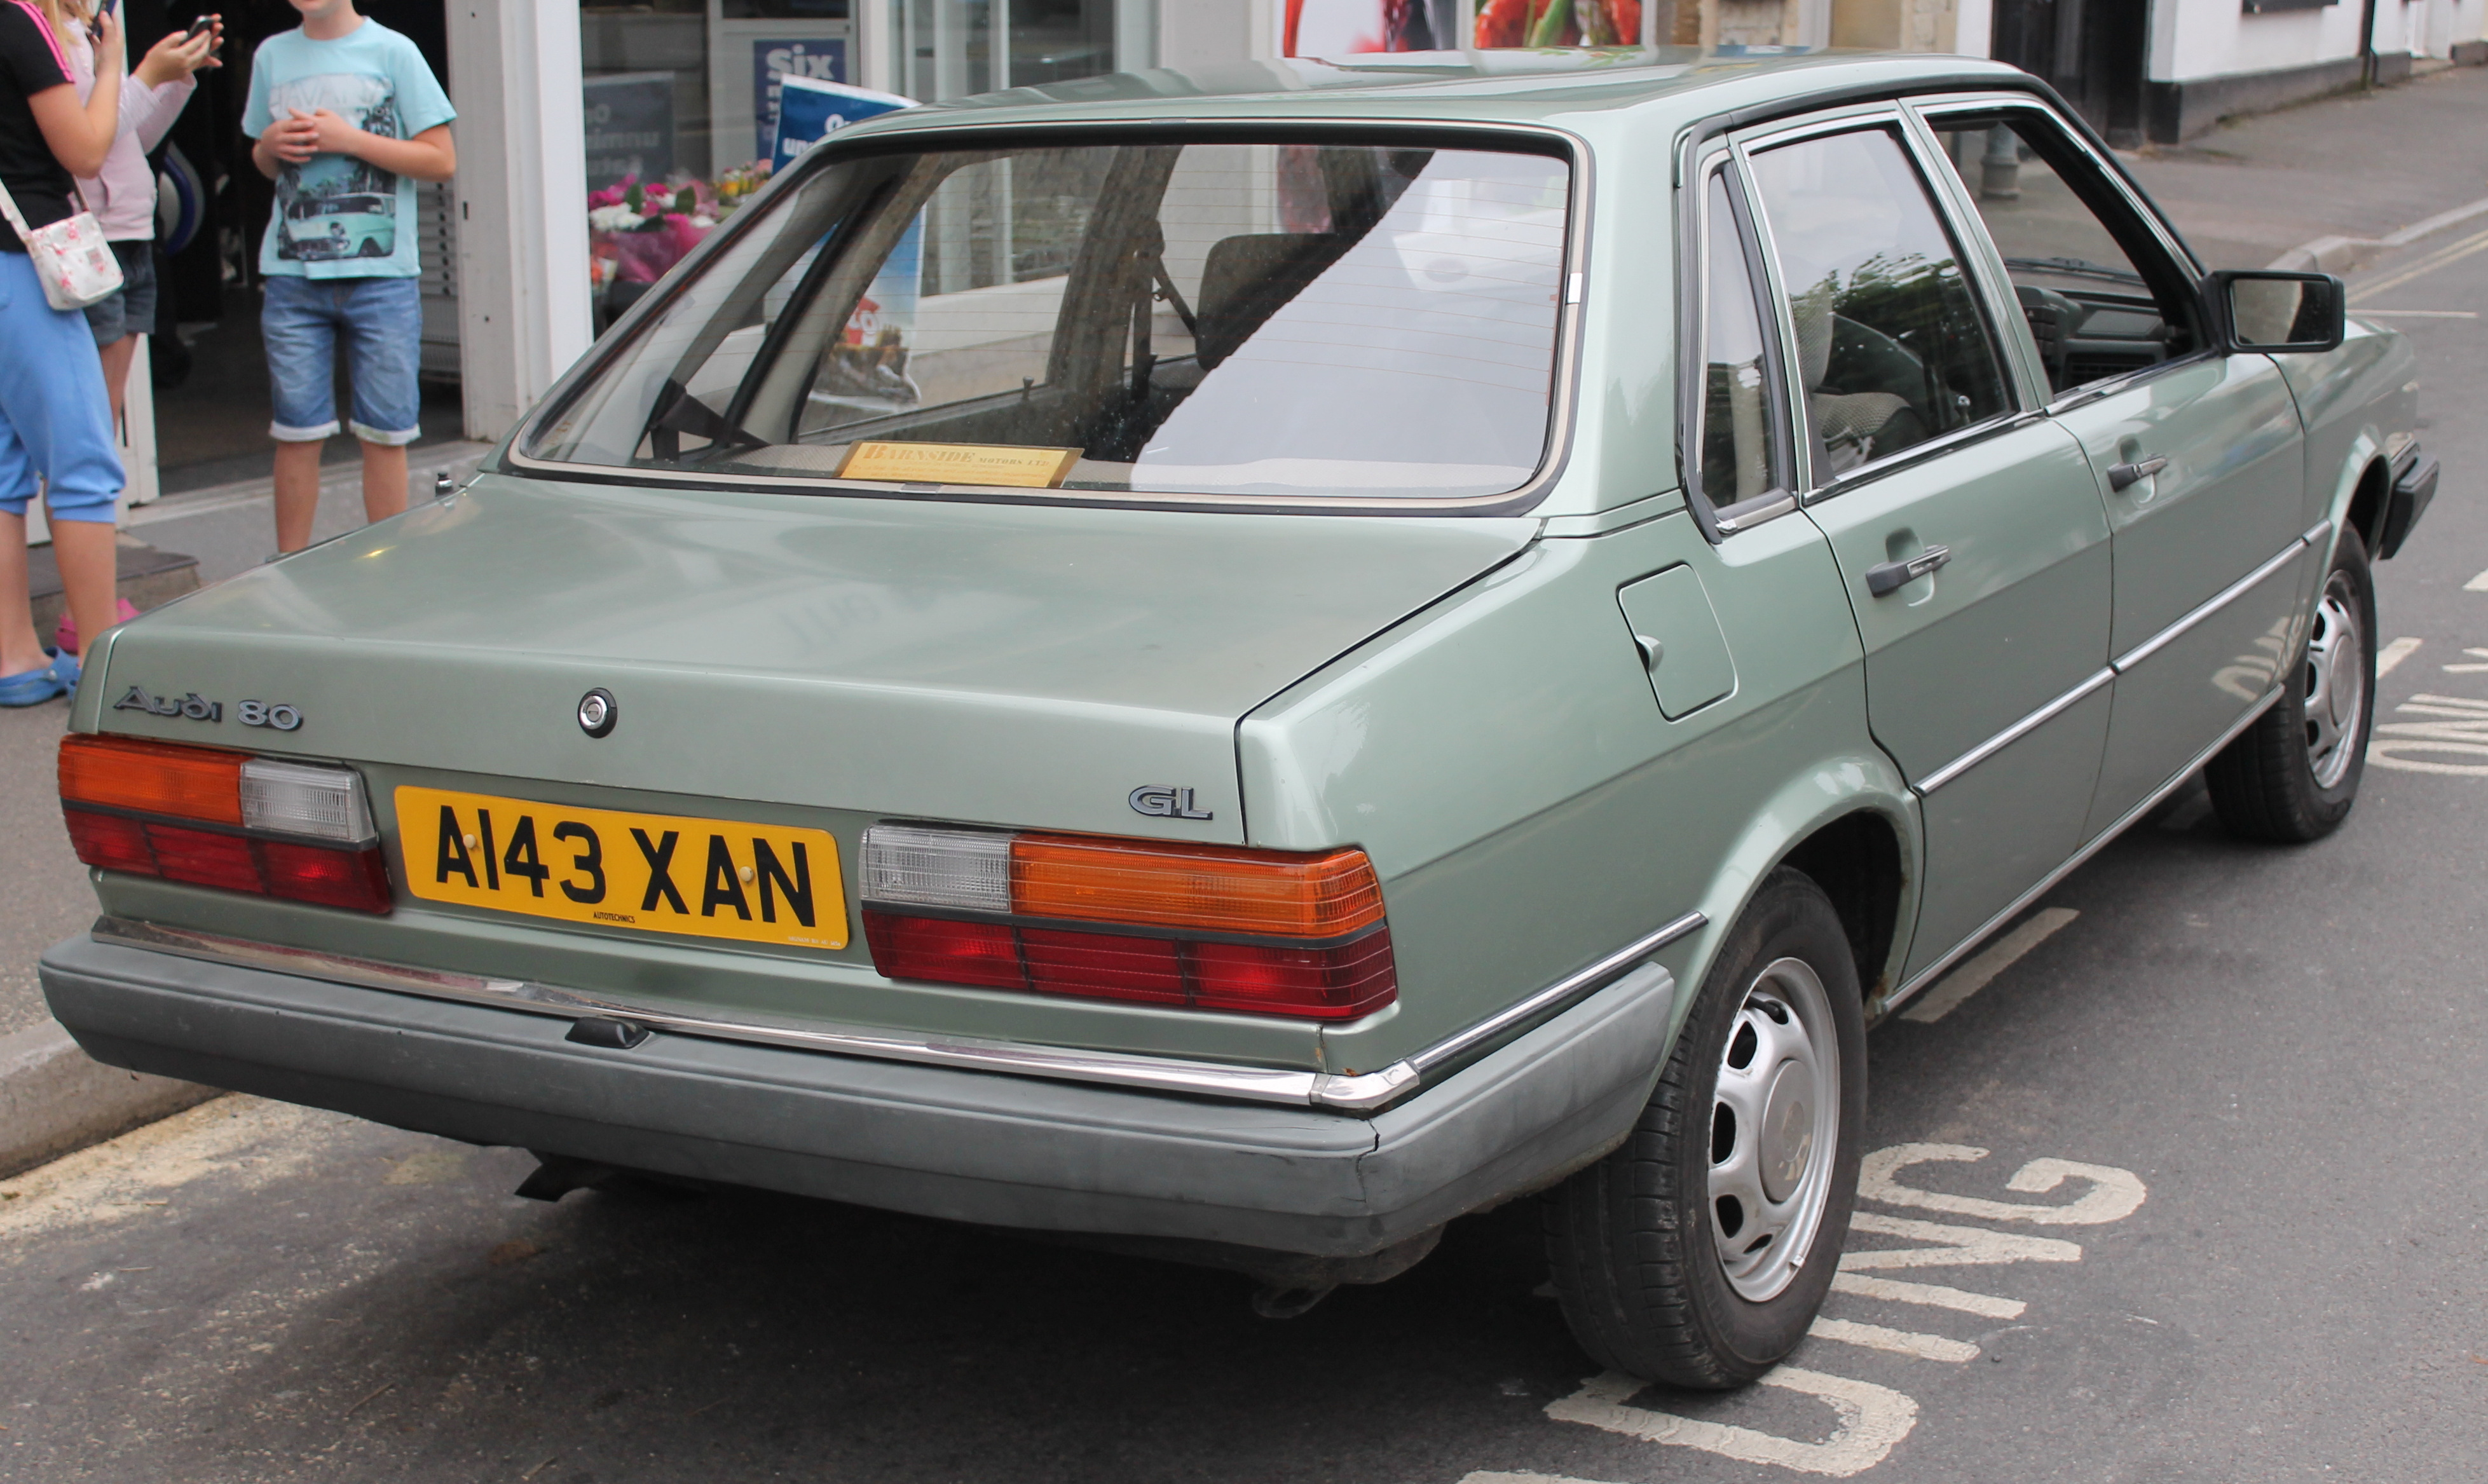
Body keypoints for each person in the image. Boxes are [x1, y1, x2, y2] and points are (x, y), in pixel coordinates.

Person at [242, 0, 452, 553]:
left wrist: (350, 140)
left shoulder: (394, 52)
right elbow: (261, 158)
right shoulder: (271, 55)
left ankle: (388, 566)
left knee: (387, 432)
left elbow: (441, 159)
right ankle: (288, 566)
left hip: (382, 279)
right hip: (291, 275)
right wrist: (267, 147)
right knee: (295, 431)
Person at [0, 0, 123, 706]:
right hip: (24, 273)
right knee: (81, 466)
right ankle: (107, 667)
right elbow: (83, 149)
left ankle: (13, 655)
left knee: (1, 473)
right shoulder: (18, 24)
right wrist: (108, 68)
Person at [52, 4, 222, 439]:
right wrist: (148, 74)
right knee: (89, 420)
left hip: (132, 232)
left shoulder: (92, 26)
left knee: (105, 412)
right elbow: (91, 142)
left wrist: (177, 79)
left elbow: (133, 138)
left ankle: (90, 501)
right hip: (91, 238)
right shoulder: (48, 33)